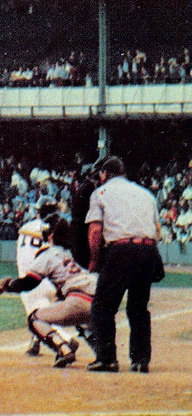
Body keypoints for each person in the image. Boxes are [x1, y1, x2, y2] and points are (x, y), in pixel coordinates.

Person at [85, 155, 163, 373]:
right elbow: (157, 230)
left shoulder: (100, 193)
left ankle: (107, 358)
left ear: (104, 174)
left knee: (102, 306)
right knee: (138, 307)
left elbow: (95, 230)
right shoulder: (145, 194)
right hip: (147, 248)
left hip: (120, 249)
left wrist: (94, 259)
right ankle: (140, 360)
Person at [0, 216, 96, 369]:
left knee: (34, 318)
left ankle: (64, 349)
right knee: (81, 321)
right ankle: (104, 355)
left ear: (51, 235)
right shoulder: (73, 253)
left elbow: (28, 283)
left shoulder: (48, 254)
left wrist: (7, 284)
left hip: (78, 300)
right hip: (98, 301)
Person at [14, 199, 77, 356]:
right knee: (43, 311)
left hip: (31, 279)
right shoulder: (58, 227)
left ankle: (67, 340)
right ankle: (35, 343)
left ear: (39, 211)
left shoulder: (25, 228)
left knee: (37, 316)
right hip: (51, 280)